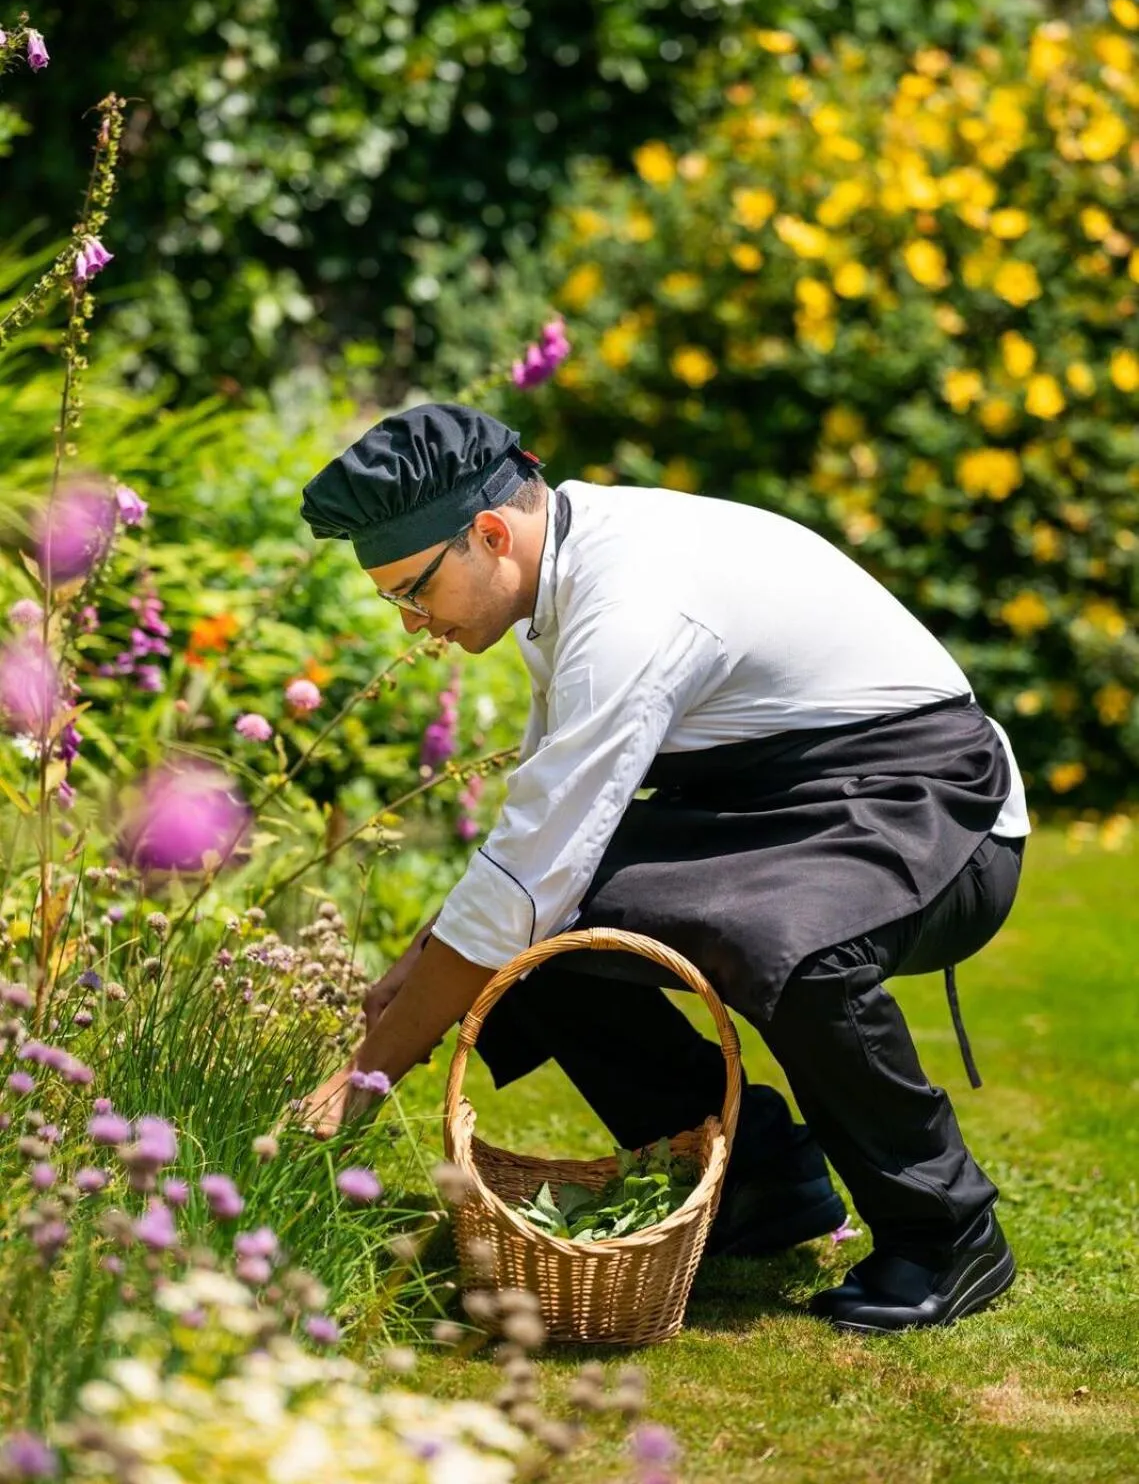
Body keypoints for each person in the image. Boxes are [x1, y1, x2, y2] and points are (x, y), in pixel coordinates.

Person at [297, 401, 1029, 1334]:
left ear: (488, 535)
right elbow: (537, 840)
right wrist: (406, 976)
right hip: (779, 807)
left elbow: (536, 863)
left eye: (411, 591)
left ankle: (946, 1232)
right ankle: (758, 1182)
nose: (410, 625)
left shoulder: (632, 600)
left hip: (931, 810)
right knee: (541, 933)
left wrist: (366, 1076)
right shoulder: (554, 580)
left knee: (797, 950)